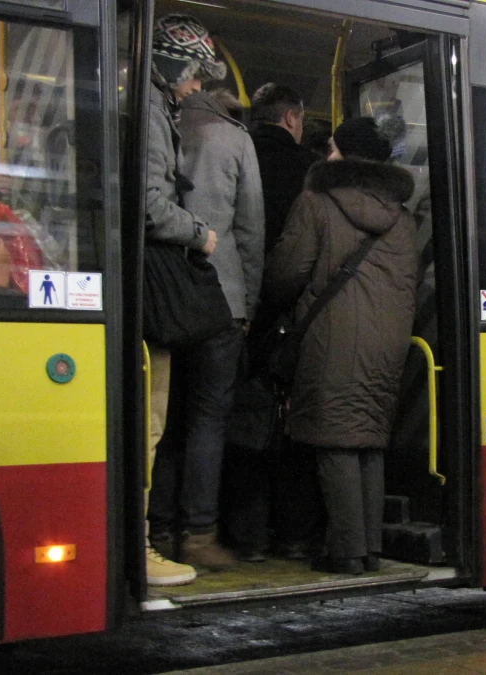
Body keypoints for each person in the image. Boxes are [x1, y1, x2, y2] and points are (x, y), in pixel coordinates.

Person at [265, 117, 417, 574]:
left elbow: (287, 273)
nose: (325, 155)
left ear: (347, 155)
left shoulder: (316, 203)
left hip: (332, 334)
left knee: (334, 440)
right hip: (388, 341)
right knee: (368, 439)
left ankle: (346, 550)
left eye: (331, 148)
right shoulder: (403, 218)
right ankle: (369, 547)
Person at [149, 87, 265, 569]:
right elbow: (250, 230)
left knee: (164, 418)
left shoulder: (159, 123)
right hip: (221, 297)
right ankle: (198, 533)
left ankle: (156, 528)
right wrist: (249, 302)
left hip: (165, 295)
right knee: (208, 420)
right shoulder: (235, 139)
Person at [141, 13, 225, 586]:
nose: (195, 87)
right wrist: (199, 232)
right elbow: (149, 203)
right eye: (194, 73)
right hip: (155, 288)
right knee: (150, 419)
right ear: (174, 63)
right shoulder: (150, 111)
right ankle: (139, 545)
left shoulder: (149, 104)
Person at [247, 82, 323, 560]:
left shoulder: (239, 154)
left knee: (243, 424)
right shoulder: (308, 173)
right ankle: (293, 533)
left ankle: (244, 535)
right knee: (292, 430)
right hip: (292, 319)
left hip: (238, 311)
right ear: (293, 118)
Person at [250, 83, 319, 254]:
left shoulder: (237, 152)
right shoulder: (310, 166)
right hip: (285, 261)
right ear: (289, 118)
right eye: (300, 119)